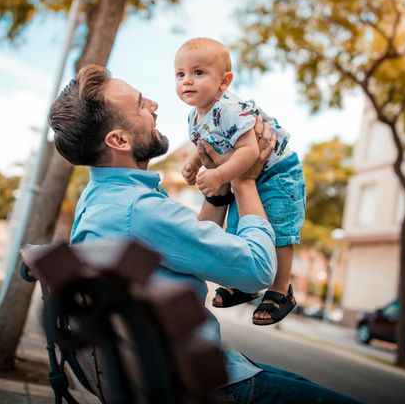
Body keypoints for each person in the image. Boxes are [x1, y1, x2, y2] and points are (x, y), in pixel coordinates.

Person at [48, 64, 360, 403]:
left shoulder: (101, 199)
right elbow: (257, 270)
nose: (153, 104)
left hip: (153, 375)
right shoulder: (138, 210)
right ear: (119, 140)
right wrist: (245, 181)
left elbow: (196, 249)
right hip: (195, 385)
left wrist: (218, 193)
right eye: (139, 104)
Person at [175, 37, 305, 326]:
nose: (187, 81)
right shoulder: (194, 117)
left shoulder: (229, 108)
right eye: (180, 74)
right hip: (243, 173)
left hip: (279, 172)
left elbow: (250, 151)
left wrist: (220, 175)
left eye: (198, 73)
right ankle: (247, 286)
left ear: (224, 82)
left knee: (279, 230)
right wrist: (193, 163)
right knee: (239, 227)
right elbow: (204, 143)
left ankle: (281, 290)